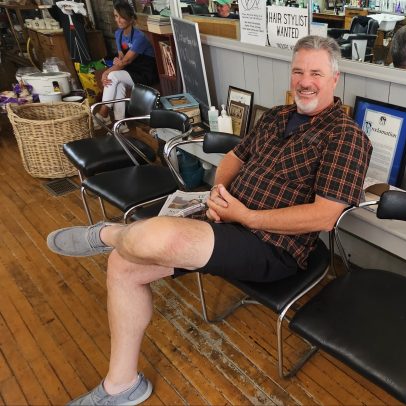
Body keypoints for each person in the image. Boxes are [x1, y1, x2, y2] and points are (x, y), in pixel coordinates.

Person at [47, 35, 372, 405]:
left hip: (272, 247)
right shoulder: (277, 117)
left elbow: (326, 216)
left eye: (316, 72)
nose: (305, 80)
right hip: (225, 219)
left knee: (154, 240)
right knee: (123, 265)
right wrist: (219, 190)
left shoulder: (346, 137)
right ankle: (122, 385)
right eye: (298, 70)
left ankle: (109, 232)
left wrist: (245, 215)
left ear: (335, 78)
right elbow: (235, 156)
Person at [94, 1, 158, 133]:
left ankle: (103, 113)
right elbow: (121, 58)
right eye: (116, 16)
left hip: (145, 73)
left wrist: (107, 72)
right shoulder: (118, 34)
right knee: (119, 85)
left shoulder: (140, 37)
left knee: (112, 75)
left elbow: (126, 61)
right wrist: (118, 61)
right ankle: (120, 124)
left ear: (130, 17)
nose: (118, 20)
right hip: (129, 71)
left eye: (121, 16)